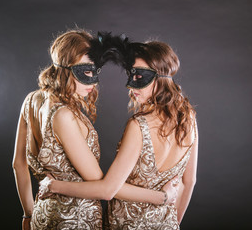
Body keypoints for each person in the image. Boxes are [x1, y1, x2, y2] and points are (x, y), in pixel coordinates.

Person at [12, 30, 179, 230]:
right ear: (65, 69)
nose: (93, 81)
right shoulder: (64, 116)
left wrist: (28, 214)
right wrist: (163, 196)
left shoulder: (31, 100)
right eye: (85, 71)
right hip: (75, 221)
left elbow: (18, 165)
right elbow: (105, 188)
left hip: (42, 216)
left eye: (95, 71)